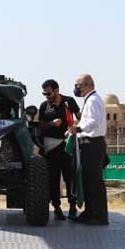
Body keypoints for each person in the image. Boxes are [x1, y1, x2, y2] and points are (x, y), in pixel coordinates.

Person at [34, 79, 81, 221]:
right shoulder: (44, 106)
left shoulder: (69, 101)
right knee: (53, 178)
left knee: (70, 177)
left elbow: (80, 117)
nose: (46, 96)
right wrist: (51, 123)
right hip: (51, 147)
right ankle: (57, 208)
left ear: (57, 90)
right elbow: (39, 126)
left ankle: (73, 207)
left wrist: (76, 128)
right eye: (44, 94)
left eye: (48, 93)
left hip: (67, 145)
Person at [68, 75, 108, 225]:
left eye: (77, 85)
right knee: (87, 180)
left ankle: (98, 215)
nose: (76, 89)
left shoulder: (93, 101)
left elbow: (93, 121)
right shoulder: (90, 100)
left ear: (86, 85)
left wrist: (78, 129)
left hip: (93, 144)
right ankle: (89, 212)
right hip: (88, 143)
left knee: (94, 181)